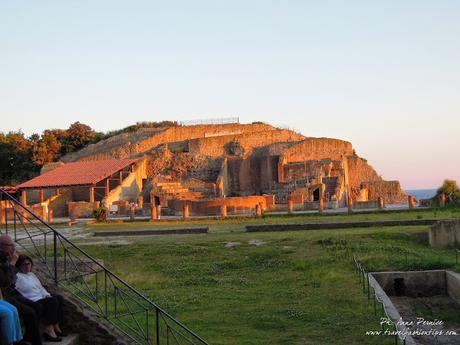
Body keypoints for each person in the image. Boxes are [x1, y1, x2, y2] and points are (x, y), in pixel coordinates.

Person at [0, 235, 42, 345]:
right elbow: (4, 281)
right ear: (2, 247)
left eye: (14, 245)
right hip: (5, 294)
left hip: (11, 292)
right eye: (11, 246)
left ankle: (25, 337)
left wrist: (11, 265)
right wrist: (13, 265)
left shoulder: (6, 257)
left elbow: (12, 280)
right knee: (29, 312)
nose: (14, 248)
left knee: (37, 307)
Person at [15, 255, 66, 342]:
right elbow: (17, 292)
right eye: (24, 264)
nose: (27, 266)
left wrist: (47, 295)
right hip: (32, 301)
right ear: (19, 265)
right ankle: (49, 330)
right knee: (52, 301)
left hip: (41, 298)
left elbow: (40, 288)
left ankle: (56, 326)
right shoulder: (17, 276)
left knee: (58, 298)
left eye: (29, 263)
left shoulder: (31, 275)